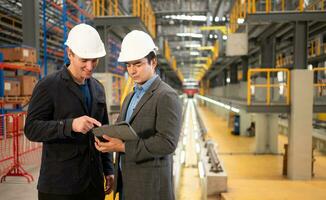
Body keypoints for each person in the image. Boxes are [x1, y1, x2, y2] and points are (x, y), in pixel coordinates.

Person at [24, 23, 114, 200]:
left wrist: (108, 168)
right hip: (60, 187)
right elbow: (32, 129)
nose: (90, 66)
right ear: (70, 53)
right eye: (84, 60)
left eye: (94, 60)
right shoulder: (48, 86)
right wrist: (70, 125)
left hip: (93, 184)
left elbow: (103, 131)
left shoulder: (98, 88)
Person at [94, 30, 182, 200]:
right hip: (127, 184)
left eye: (138, 64)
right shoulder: (130, 96)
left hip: (150, 188)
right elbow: (122, 130)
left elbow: (167, 143)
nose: (132, 71)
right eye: (128, 65)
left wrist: (122, 147)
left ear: (153, 62)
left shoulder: (166, 96)